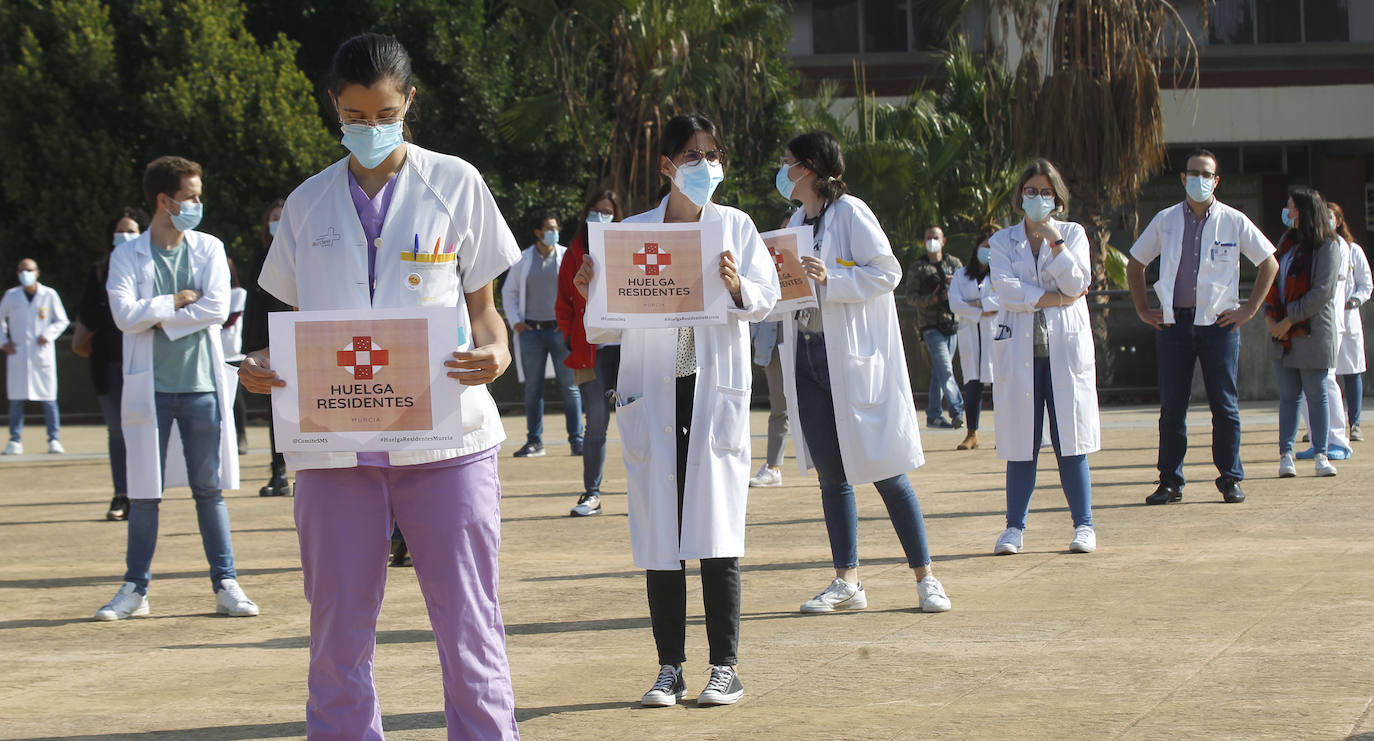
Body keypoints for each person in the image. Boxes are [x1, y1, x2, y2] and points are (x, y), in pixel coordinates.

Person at [239, 33, 521, 739]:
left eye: (386, 114)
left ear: (410, 102)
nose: (371, 128)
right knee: (337, 629)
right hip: (335, 451)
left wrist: (496, 351)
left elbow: (486, 314)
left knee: (470, 622)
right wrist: (262, 365)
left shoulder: (456, 183)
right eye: (356, 116)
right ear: (334, 106)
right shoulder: (306, 203)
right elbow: (292, 327)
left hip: (449, 442)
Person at [574, 112, 779, 708]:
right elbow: (605, 328)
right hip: (654, 393)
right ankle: (670, 667)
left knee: (716, 531)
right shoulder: (632, 234)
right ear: (667, 165)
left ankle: (725, 667)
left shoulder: (735, 226)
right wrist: (593, 292)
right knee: (660, 535)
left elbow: (765, 299)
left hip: (711, 391)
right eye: (692, 155)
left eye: (713, 155)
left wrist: (738, 286)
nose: (705, 165)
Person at [772, 131, 951, 615]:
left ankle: (926, 577)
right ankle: (847, 581)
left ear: (809, 168)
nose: (783, 170)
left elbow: (887, 271)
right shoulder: (794, 222)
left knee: (886, 470)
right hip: (807, 356)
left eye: (788, 162)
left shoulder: (850, 212)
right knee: (832, 476)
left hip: (850, 358)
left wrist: (833, 278)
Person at [97, 155, 255, 622]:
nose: (197, 205)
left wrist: (159, 318)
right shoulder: (127, 255)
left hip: (202, 386)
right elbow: (124, 316)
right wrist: (178, 299)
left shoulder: (208, 248)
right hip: (151, 389)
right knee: (145, 492)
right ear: (164, 201)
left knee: (209, 490)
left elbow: (216, 308)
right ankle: (135, 588)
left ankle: (226, 583)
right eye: (191, 197)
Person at [1128, 148, 1278, 505]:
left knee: (1224, 406)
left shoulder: (1233, 220)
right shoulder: (1165, 220)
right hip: (1174, 324)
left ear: (1216, 180)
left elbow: (1269, 264)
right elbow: (1135, 263)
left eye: (1206, 174)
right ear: (1183, 178)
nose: (1199, 180)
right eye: (1193, 173)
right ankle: (1170, 482)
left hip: (1219, 324)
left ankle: (1230, 478)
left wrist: (1249, 309)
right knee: (1172, 408)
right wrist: (1143, 309)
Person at [989, 159, 1099, 556]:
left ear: (1058, 198)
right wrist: (1056, 299)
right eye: (1031, 191)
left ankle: (1084, 525)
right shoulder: (1002, 241)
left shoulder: (1073, 234)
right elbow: (1006, 290)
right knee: (1023, 442)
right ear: (1020, 196)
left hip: (1064, 353)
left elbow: (1078, 281)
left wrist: (1056, 242)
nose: (1037, 198)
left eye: (1046, 192)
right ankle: (1014, 528)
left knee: (1071, 439)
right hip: (1021, 354)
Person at [1264, 188, 1342, 479]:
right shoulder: (1286, 243)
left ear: (1304, 211)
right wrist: (1271, 316)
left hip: (1311, 334)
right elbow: (1271, 281)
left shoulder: (1327, 245)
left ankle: (1321, 454)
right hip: (1282, 335)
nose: (1287, 211)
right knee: (1288, 397)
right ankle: (1286, 455)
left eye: (1291, 207)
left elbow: (1322, 293)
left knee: (1316, 394)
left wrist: (1289, 319)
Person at [555, 189, 623, 516]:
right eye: (596, 210)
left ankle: (649, 495)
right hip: (590, 352)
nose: (601, 216)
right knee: (596, 423)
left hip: (629, 349)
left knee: (641, 423)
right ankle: (592, 493)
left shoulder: (627, 245)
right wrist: (570, 336)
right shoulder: (574, 253)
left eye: (608, 211)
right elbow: (563, 303)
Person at [76, 207, 148, 520]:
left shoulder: (150, 267)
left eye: (131, 231)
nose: (125, 236)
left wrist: (126, 311)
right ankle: (121, 493)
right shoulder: (100, 271)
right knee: (117, 432)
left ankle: (145, 493)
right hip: (109, 365)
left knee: (146, 431)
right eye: (120, 231)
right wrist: (124, 310)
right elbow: (87, 313)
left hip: (146, 363)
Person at [502, 210, 583, 458]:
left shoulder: (566, 256)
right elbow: (509, 292)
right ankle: (535, 442)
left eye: (556, 228)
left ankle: (577, 441)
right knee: (532, 389)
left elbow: (577, 290)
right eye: (549, 228)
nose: (554, 232)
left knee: (570, 387)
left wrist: (569, 322)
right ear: (537, 232)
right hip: (531, 333)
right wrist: (516, 322)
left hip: (560, 330)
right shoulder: (523, 259)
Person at [240, 199, 292, 496]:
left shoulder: (306, 252)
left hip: (303, 338)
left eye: (283, 217)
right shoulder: (261, 256)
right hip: (270, 344)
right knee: (276, 410)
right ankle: (279, 471)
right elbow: (254, 305)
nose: (277, 223)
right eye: (273, 218)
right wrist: (252, 347)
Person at [1, 258, 70, 455]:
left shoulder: (49, 294)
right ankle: (15, 440)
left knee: (49, 399)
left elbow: (62, 320)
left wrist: (48, 335)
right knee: (16, 400)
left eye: (29, 270)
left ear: (37, 272)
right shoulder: (11, 295)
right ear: (17, 274)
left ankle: (54, 439)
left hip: (41, 354)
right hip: (18, 354)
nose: (26, 273)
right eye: (22, 270)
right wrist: (3, 342)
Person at [904, 225, 964, 429]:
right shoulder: (919, 268)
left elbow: (967, 287)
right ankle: (957, 410)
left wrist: (954, 284)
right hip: (930, 326)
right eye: (928, 237)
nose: (932, 241)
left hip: (952, 323)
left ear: (943, 241)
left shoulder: (954, 263)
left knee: (940, 371)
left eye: (936, 237)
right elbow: (911, 297)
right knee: (945, 369)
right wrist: (934, 297)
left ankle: (933, 414)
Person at [947, 228, 1000, 451]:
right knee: (972, 385)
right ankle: (972, 434)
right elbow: (954, 303)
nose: (988, 251)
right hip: (970, 335)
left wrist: (976, 304)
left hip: (994, 335)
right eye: (985, 246)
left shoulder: (1001, 274)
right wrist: (982, 309)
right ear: (977, 247)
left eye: (993, 248)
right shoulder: (961, 275)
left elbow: (1003, 300)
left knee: (1000, 385)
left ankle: (1005, 433)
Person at [1332, 203, 1370, 442]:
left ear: (1339, 220)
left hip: (1348, 318)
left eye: (1331, 217)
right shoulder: (1318, 248)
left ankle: (1354, 423)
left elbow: (1366, 283)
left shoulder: (1353, 250)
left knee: (1353, 372)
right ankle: (1324, 424)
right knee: (1326, 377)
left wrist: (1354, 301)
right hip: (1326, 320)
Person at [747, 319, 787, 487]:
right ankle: (773, 468)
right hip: (772, 340)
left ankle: (835, 467)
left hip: (805, 334)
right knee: (779, 408)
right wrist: (755, 335)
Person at [221, 258, 248, 453]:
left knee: (236, 399)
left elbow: (230, 319)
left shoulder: (238, 293)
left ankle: (241, 435)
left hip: (233, 352)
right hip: (214, 352)